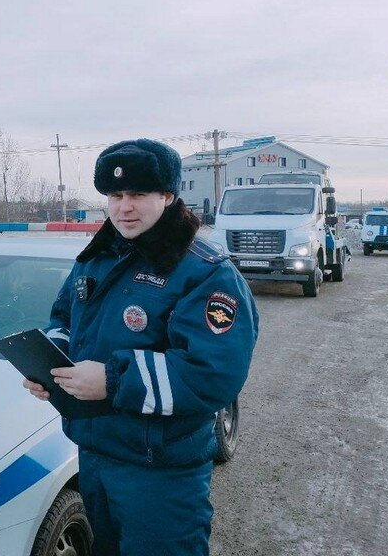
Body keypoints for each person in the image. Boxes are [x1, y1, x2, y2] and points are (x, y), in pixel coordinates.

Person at [24, 139, 258, 555]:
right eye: (115, 195)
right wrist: (52, 368)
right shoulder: (96, 258)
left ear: (168, 196)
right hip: (95, 456)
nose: (124, 207)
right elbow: (63, 319)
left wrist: (113, 381)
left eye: (138, 194)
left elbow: (212, 374)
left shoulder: (204, 272)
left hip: (160, 472)